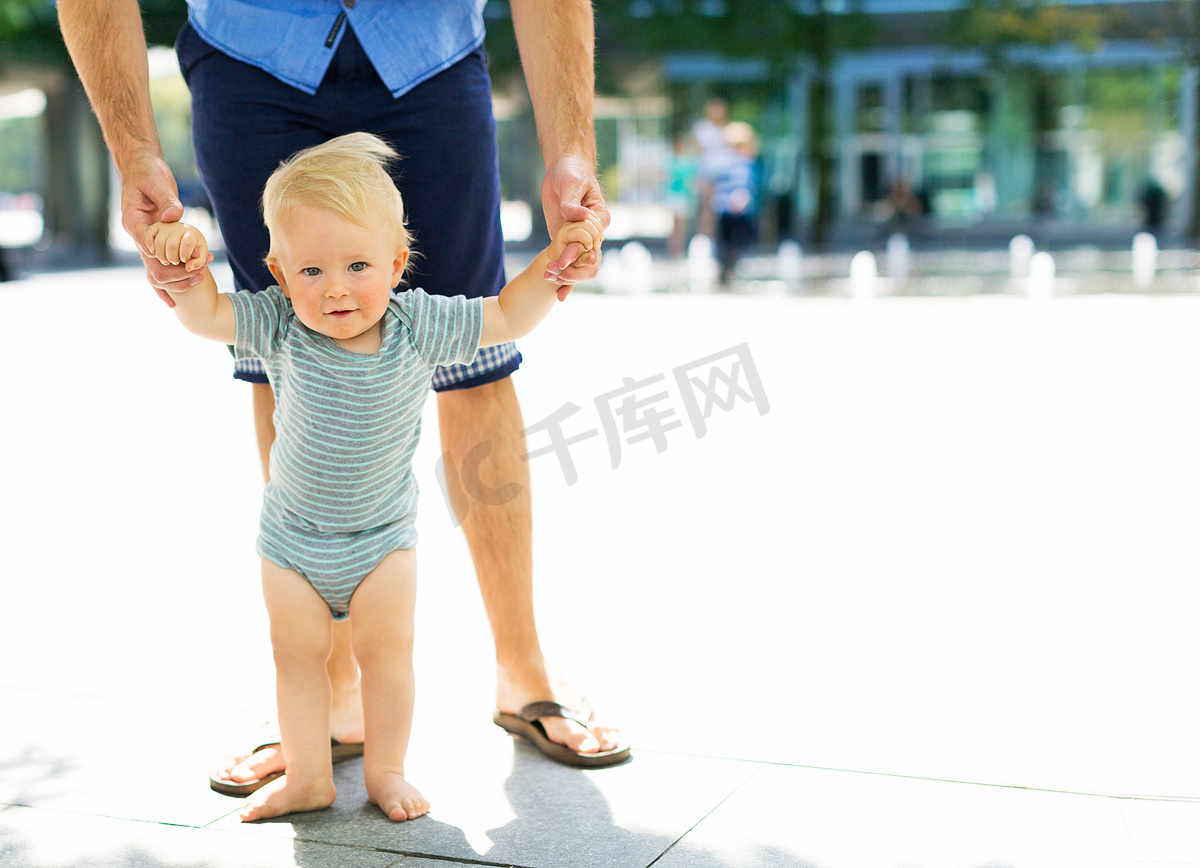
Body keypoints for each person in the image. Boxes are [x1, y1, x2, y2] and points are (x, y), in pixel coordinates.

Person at [56, 0, 628, 784]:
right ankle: (328, 693)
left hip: (427, 54)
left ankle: (523, 669)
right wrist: (133, 155)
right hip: (253, 56)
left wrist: (572, 151)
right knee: (278, 350)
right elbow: (219, 320)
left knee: (477, 365)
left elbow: (504, 319)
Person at [149, 133, 608, 822]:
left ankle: (386, 771)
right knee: (295, 658)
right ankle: (308, 776)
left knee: (388, 656)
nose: (335, 287)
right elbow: (207, 315)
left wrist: (556, 263)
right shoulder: (275, 324)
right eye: (311, 272)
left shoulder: (418, 324)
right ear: (277, 272)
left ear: (397, 263)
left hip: (382, 542)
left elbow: (508, 314)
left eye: (358, 265)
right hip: (292, 542)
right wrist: (185, 272)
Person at [711, 121, 760, 286]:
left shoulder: (722, 161)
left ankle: (725, 272)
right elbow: (743, 185)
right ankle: (728, 272)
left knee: (725, 244)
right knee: (734, 243)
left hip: (722, 208)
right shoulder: (742, 162)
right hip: (736, 210)